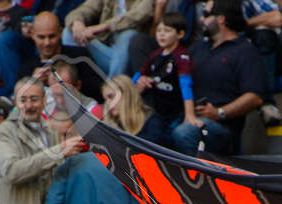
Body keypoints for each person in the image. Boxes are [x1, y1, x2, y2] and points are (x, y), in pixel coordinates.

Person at [170, 0, 266, 156]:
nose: (202, 19)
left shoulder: (245, 50)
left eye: (207, 15)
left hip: (221, 127)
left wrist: (220, 112)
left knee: (184, 133)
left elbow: (254, 97)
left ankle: (192, 179)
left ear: (221, 19)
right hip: (187, 116)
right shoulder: (198, 48)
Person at [134, 13, 197, 148]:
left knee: (169, 141)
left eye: (167, 31)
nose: (161, 34)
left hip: (174, 112)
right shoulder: (155, 55)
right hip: (156, 109)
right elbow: (138, 75)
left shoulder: (182, 56)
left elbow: (186, 84)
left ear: (180, 34)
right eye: (159, 30)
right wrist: (136, 85)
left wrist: (190, 115)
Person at [64, 0, 154, 78]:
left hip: (129, 59)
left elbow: (139, 14)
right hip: (107, 52)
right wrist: (77, 23)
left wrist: (104, 26)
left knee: (128, 35)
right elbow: (85, 9)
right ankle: (71, 82)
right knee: (69, 32)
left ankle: (113, 91)